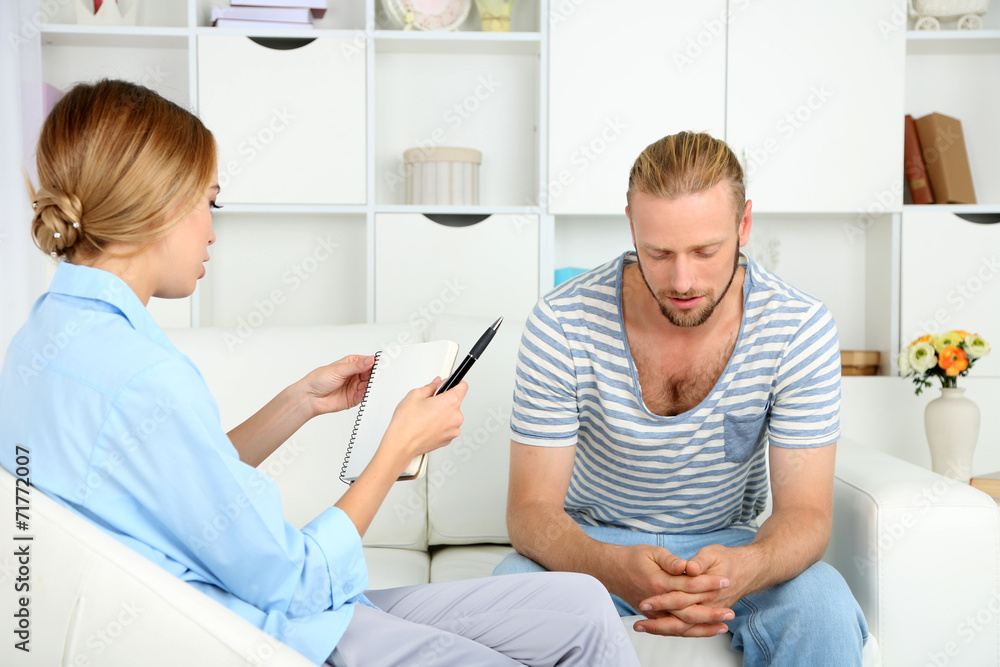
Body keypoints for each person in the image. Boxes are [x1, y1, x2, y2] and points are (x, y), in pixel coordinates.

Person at [0, 79, 640, 667]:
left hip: (274, 610)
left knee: (582, 604)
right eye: (209, 202)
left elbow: (175, 493)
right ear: (159, 206)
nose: (212, 232)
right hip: (269, 632)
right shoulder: (144, 377)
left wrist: (296, 404)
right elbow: (299, 580)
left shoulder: (46, 342)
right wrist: (397, 448)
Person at [494, 132, 869, 665]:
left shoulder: (798, 326)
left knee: (824, 604)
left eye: (706, 250)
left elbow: (806, 513)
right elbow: (530, 511)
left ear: (744, 226)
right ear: (631, 225)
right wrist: (609, 564)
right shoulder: (562, 321)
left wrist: (749, 567)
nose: (682, 280)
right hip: (594, 545)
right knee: (509, 594)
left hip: (729, 546)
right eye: (659, 252)